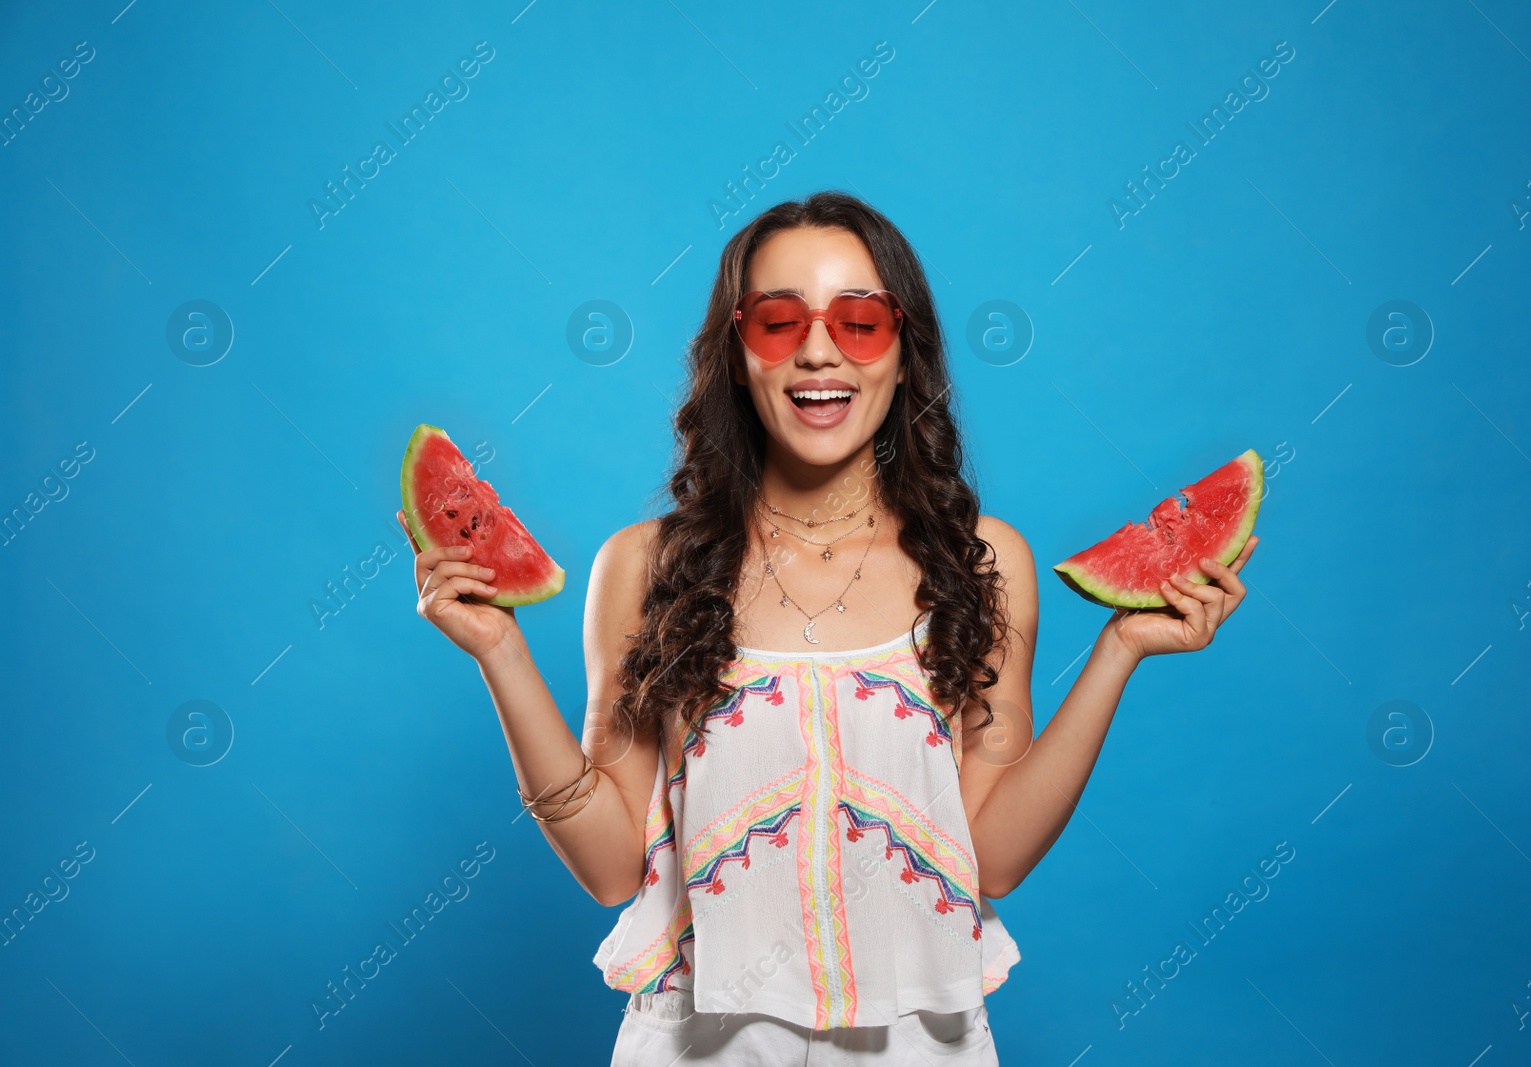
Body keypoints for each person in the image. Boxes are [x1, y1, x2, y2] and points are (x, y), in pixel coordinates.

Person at [398, 190, 1257, 1065]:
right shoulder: (643, 565)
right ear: (737, 354)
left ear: (902, 347)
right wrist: (499, 652)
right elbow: (614, 864)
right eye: (778, 321)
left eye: (859, 320)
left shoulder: (983, 562)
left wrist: (1121, 650)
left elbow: (989, 855)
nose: (818, 349)